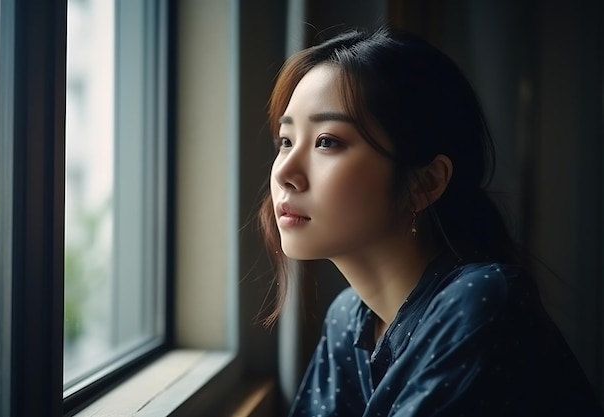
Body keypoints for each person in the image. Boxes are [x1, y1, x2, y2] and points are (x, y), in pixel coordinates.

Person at [258, 27, 603, 417]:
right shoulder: (348, 318)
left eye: (327, 141)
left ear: (426, 182)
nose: (285, 172)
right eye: (286, 141)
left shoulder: (480, 301)